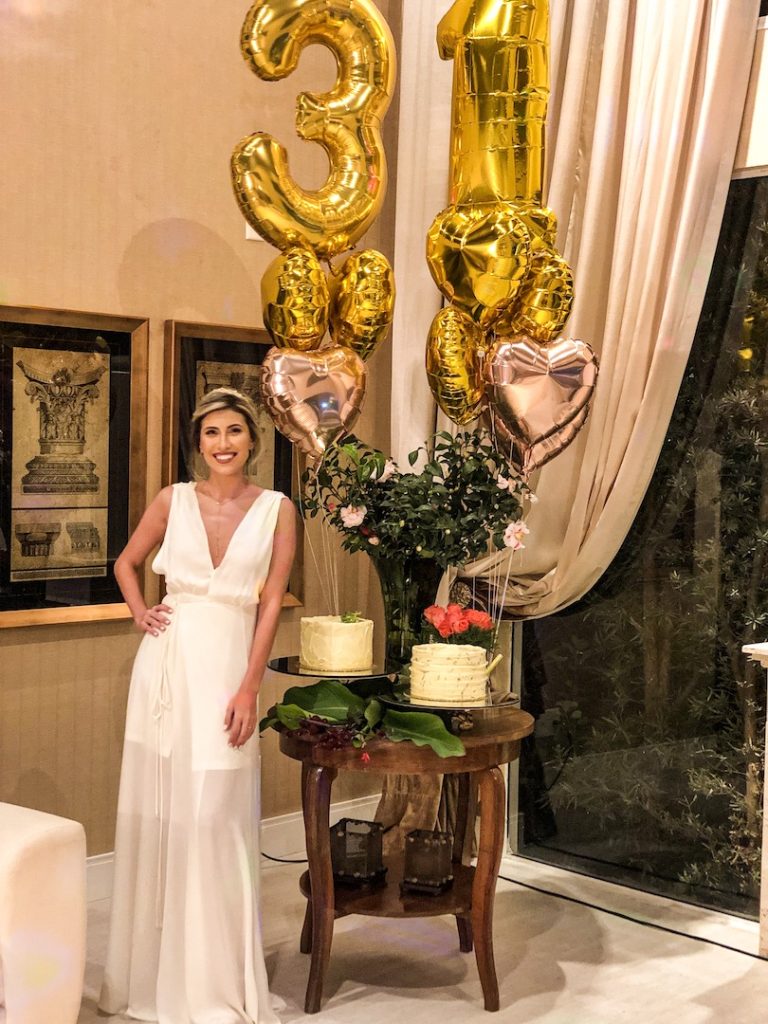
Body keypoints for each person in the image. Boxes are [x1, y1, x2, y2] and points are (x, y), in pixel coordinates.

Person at [99, 387, 296, 1024]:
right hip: (166, 670)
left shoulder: (277, 510)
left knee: (216, 816)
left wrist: (250, 686)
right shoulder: (172, 500)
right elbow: (126, 563)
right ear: (198, 443)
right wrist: (141, 613)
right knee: (164, 812)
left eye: (234, 431)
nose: (223, 443)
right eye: (211, 433)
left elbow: (271, 601)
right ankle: (153, 976)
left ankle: (213, 979)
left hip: (228, 668)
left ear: (252, 440)